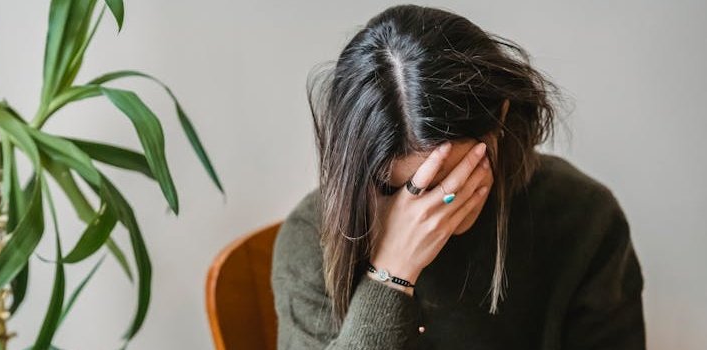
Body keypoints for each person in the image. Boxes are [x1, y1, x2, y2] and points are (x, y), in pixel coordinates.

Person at [271, 4, 645, 349]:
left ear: (500, 117)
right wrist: (390, 277)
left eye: (452, 179)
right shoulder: (311, 241)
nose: (428, 212)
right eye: (396, 188)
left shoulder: (583, 216)